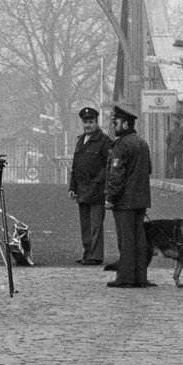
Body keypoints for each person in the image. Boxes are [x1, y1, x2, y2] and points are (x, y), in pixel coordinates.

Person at [104, 105, 153, 288]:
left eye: (115, 122)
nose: (113, 126)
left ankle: (125, 278)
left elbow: (116, 175)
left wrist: (110, 198)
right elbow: (148, 169)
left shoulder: (121, 146)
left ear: (125, 124)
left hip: (125, 202)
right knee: (139, 241)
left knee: (125, 241)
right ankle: (140, 277)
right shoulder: (142, 143)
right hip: (141, 200)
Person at [68, 106, 112, 266]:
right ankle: (87, 254)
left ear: (96, 122)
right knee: (85, 226)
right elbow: (76, 166)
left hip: (97, 191)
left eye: (91, 122)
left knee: (95, 225)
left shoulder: (104, 141)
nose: (88, 125)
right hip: (81, 190)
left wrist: (98, 181)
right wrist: (72, 187)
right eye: (85, 122)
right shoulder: (80, 141)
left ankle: (96, 256)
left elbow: (109, 165)